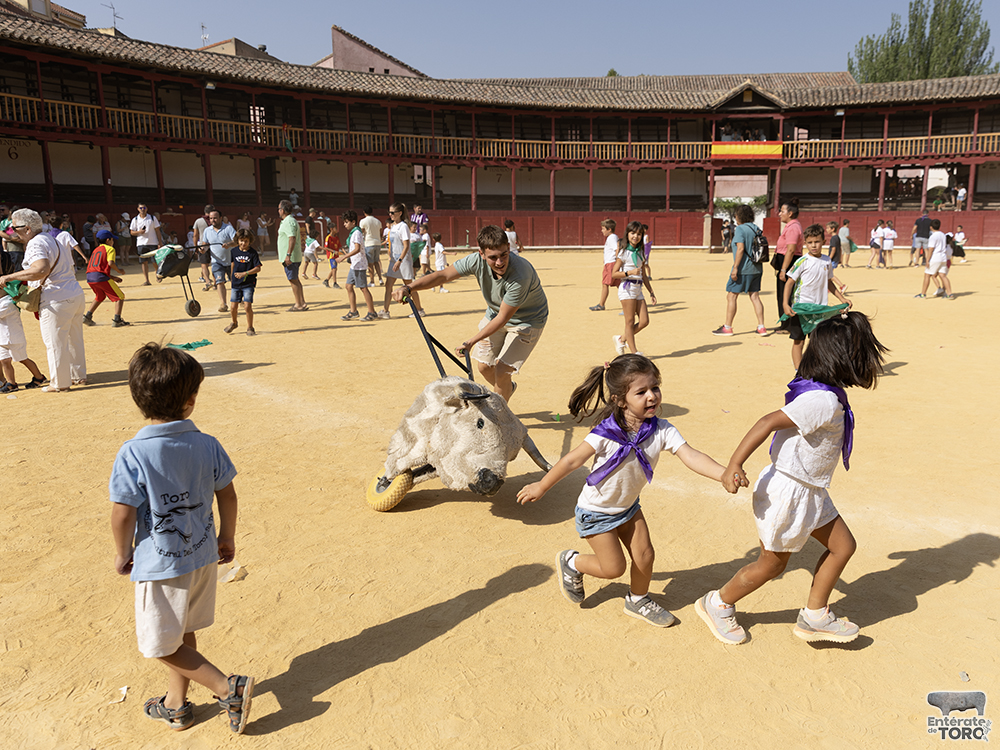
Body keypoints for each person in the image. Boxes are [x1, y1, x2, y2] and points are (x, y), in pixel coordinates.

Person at [696, 312, 887, 645]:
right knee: (771, 565)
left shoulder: (824, 393)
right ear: (844, 359)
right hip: (789, 492)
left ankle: (814, 616)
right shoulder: (823, 402)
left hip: (810, 490)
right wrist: (733, 465)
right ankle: (718, 602)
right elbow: (768, 421)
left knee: (843, 546)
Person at [516, 354, 734, 626]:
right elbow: (573, 460)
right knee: (613, 568)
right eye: (641, 392)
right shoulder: (606, 432)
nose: (652, 396)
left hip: (628, 508)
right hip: (596, 512)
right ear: (620, 400)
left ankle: (638, 599)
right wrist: (542, 484)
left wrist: (724, 473)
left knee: (645, 555)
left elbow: (691, 455)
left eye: (655, 387)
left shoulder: (661, 429)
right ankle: (572, 562)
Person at [109, 342, 254, 734]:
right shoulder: (207, 444)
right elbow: (228, 493)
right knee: (181, 630)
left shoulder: (133, 452)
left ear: (138, 399)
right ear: (190, 401)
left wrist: (123, 554)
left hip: (160, 565)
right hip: (203, 554)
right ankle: (176, 704)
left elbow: (122, 513)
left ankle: (228, 687)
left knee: (159, 644)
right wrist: (227, 536)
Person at [392, 225, 545, 402]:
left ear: (509, 248)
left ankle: (499, 418)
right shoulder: (475, 261)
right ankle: (507, 389)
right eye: (492, 257)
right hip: (496, 313)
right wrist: (408, 287)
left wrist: (472, 341)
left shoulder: (521, 274)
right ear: (481, 253)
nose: (499, 262)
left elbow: (504, 318)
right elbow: (443, 276)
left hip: (527, 320)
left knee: (502, 370)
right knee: (484, 367)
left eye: (504, 255)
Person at [0, 208, 87, 391]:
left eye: (15, 228)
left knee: (55, 343)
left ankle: (59, 383)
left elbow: (41, 269)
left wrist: (10, 277)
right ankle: (78, 376)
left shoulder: (35, 243)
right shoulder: (50, 237)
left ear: (28, 229)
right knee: (74, 339)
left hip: (56, 298)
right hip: (74, 293)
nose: (13, 231)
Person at [783, 224, 852, 369]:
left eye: (817, 242)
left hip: (819, 309)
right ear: (805, 243)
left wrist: (842, 299)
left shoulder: (827, 261)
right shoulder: (802, 261)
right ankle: (799, 371)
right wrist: (785, 304)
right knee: (798, 341)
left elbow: (829, 282)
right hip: (801, 308)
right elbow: (789, 283)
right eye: (810, 242)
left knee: (817, 341)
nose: (813, 245)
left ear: (823, 242)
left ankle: (815, 368)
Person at [712, 204, 767, 337]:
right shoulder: (756, 228)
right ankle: (761, 327)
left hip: (743, 268)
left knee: (731, 296)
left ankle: (728, 327)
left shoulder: (740, 229)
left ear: (739, 216)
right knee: (754, 296)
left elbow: (741, 249)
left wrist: (735, 267)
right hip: (757, 267)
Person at [0, 253, 47, 393]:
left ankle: (39, 376)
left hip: (13, 338)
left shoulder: (8, 302)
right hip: (3, 338)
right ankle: (11, 383)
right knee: (4, 361)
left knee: (22, 359)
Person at [611, 221, 656, 355]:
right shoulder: (623, 253)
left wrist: (651, 292)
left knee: (644, 321)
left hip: (638, 289)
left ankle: (621, 338)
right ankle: (634, 352)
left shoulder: (641, 252)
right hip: (627, 288)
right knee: (629, 321)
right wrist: (629, 273)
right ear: (627, 234)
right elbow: (614, 273)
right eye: (633, 233)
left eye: (638, 234)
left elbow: (644, 276)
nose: (635, 236)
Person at [380, 202, 421, 319]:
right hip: (394, 260)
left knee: (410, 286)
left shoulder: (403, 226)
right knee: (388, 285)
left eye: (392, 212)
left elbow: (406, 246)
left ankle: (419, 309)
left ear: (399, 213)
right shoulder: (393, 226)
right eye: (389, 212)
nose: (390, 214)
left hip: (402, 261)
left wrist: (399, 260)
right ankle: (385, 310)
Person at [82, 229, 130, 327]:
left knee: (100, 296)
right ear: (108, 240)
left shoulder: (96, 250)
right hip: (100, 277)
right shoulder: (110, 249)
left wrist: (112, 277)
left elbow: (97, 268)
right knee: (120, 296)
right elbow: (110, 263)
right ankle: (117, 320)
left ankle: (87, 316)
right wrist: (119, 270)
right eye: (112, 240)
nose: (113, 242)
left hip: (90, 277)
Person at [338, 210, 377, 322]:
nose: (344, 224)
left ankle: (371, 312)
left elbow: (357, 249)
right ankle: (353, 311)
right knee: (348, 286)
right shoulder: (354, 233)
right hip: (355, 264)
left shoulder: (356, 233)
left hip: (359, 264)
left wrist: (344, 257)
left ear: (353, 222)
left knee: (363, 288)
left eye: (346, 222)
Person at [774, 200, 803, 332]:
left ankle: (788, 325)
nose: (780, 214)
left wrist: (784, 269)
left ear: (790, 213)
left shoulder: (793, 228)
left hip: (788, 262)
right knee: (784, 293)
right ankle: (786, 324)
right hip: (787, 261)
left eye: (782, 211)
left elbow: (790, 250)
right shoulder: (792, 226)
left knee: (785, 293)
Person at [201, 209, 237, 314]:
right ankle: (223, 303)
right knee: (219, 281)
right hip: (216, 261)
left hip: (231, 261)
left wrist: (229, 244)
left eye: (215, 218)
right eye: (211, 218)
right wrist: (203, 249)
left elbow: (237, 241)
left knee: (235, 282)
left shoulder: (228, 228)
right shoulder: (207, 231)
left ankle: (240, 299)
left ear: (221, 218)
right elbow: (205, 244)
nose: (213, 220)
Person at [277, 200, 307, 311]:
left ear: (283, 210)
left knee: (293, 280)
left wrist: (288, 254)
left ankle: (298, 304)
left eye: (279, 209)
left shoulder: (288, 221)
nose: (278, 211)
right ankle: (301, 302)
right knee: (295, 279)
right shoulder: (289, 221)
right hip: (293, 256)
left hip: (291, 256)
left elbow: (292, 238)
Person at [915, 219, 954, 300]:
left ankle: (923, 294)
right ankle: (950, 294)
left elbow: (931, 249)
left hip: (935, 258)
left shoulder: (933, 236)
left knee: (927, 275)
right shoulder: (943, 234)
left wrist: (927, 260)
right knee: (943, 276)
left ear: (931, 227)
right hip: (943, 258)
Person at [589, 219, 619, 311]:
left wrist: (617, 261)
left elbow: (616, 249)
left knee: (605, 284)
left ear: (609, 229)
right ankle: (630, 303)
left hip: (611, 264)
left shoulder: (612, 238)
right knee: (620, 285)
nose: (602, 231)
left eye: (603, 229)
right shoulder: (613, 237)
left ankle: (601, 304)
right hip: (611, 262)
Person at [130, 204, 162, 286]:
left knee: (154, 261)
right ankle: (147, 280)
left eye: (144, 208)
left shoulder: (152, 218)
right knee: (144, 262)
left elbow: (157, 230)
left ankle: (157, 274)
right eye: (141, 208)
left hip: (153, 242)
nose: (142, 209)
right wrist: (139, 232)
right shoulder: (135, 219)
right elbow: (132, 232)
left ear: (146, 209)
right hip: (141, 243)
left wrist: (160, 242)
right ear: (138, 209)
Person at [359, 206, 383, 286]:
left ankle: (372, 281)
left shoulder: (363, 221)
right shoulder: (378, 221)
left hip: (369, 243)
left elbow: (361, 232)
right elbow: (380, 233)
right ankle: (380, 279)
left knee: (370, 264)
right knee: (377, 262)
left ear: (364, 212)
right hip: (377, 243)